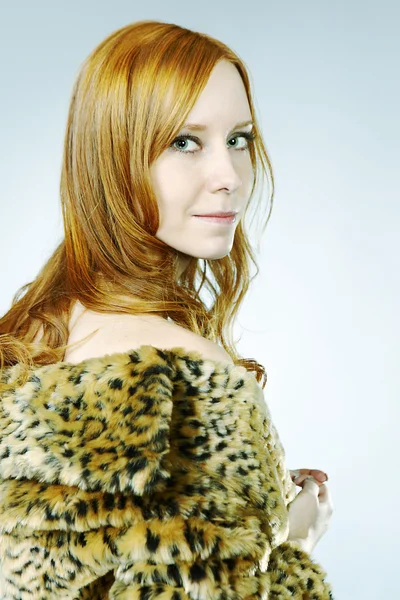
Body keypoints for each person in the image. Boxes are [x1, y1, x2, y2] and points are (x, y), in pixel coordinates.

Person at [0, 20, 334, 599]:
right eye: (184, 142)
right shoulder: (189, 370)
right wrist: (294, 539)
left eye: (239, 139)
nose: (229, 177)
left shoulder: (42, 322)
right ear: (113, 158)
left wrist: (241, 501)